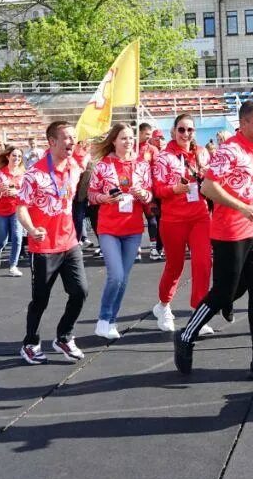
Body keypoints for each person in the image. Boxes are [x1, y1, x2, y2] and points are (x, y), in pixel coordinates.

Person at [175, 100, 253, 380]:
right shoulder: (230, 151)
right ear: (245, 123)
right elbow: (208, 187)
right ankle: (186, 336)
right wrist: (243, 207)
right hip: (231, 232)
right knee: (225, 292)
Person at [15, 120, 88, 364]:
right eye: (66, 137)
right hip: (43, 247)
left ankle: (64, 337)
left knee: (80, 292)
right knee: (41, 299)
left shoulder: (74, 167)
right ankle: (30, 342)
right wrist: (31, 228)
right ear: (52, 142)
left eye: (73, 137)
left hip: (70, 242)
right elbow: (21, 208)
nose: (71, 142)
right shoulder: (34, 174)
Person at [87, 122, 152, 340]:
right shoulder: (102, 166)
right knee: (115, 276)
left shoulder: (142, 165)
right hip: (109, 228)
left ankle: (110, 321)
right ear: (114, 140)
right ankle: (104, 318)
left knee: (123, 278)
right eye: (123, 138)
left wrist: (143, 194)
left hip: (133, 229)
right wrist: (105, 198)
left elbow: (150, 195)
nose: (128, 142)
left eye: (131, 138)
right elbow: (91, 195)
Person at [151, 113, 212, 333]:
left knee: (203, 263)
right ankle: (164, 306)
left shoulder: (203, 153)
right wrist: (174, 190)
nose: (186, 134)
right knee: (175, 266)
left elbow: (212, 181)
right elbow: (157, 190)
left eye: (190, 130)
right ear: (173, 132)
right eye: (181, 130)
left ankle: (198, 312)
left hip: (200, 216)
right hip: (173, 219)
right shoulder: (163, 157)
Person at [0, 144, 26, 276]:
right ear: (8, 157)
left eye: (19, 156)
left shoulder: (23, 175)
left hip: (17, 209)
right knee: (2, 238)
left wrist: (15, 192)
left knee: (17, 236)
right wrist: (2, 187)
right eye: (14, 155)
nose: (16, 158)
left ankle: (13, 266)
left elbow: (26, 194)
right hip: (0, 210)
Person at [136, 122, 164, 261]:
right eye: (146, 134)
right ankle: (136, 248)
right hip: (133, 192)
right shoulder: (131, 148)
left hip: (149, 192)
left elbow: (157, 170)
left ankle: (154, 247)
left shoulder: (152, 149)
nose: (148, 137)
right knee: (135, 221)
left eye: (149, 134)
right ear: (139, 132)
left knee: (152, 221)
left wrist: (155, 189)